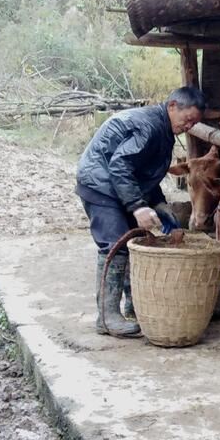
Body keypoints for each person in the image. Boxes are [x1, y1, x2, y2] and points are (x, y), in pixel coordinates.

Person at [75, 87, 205, 336]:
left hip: (114, 184)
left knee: (133, 242)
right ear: (172, 106)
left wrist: (159, 203)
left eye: (194, 123)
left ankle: (135, 305)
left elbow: (145, 171)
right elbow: (120, 165)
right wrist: (137, 206)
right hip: (100, 184)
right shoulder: (149, 126)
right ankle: (107, 317)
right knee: (115, 245)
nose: (189, 126)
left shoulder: (164, 129)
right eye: (187, 119)